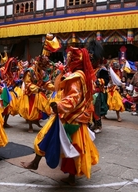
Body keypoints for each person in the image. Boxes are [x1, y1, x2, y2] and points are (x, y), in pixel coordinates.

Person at [21, 42, 101, 186]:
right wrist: (46, 85)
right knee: (60, 142)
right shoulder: (79, 74)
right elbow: (61, 88)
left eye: (69, 58)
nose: (67, 61)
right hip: (71, 116)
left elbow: (73, 98)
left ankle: (66, 175)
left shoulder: (77, 76)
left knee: (66, 145)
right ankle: (37, 163)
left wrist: (59, 105)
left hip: (71, 117)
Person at [18, 55, 55, 133]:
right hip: (30, 93)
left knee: (42, 109)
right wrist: (37, 88)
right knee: (31, 110)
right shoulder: (30, 71)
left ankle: (37, 121)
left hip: (39, 92)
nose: (43, 69)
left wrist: (54, 88)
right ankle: (30, 125)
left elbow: (46, 83)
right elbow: (27, 83)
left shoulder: (42, 72)